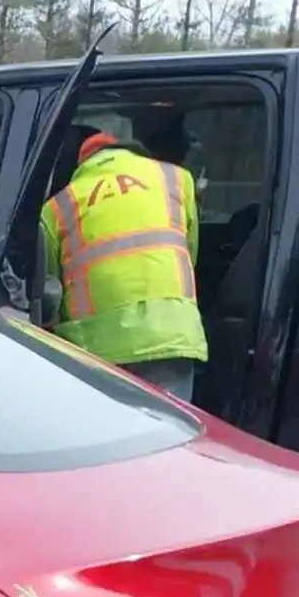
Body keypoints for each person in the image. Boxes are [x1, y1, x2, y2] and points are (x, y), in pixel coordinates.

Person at [39, 129, 208, 402]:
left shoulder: (58, 207)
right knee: (169, 439)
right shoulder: (176, 179)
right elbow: (189, 254)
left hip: (96, 352)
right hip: (171, 336)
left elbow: (48, 292)